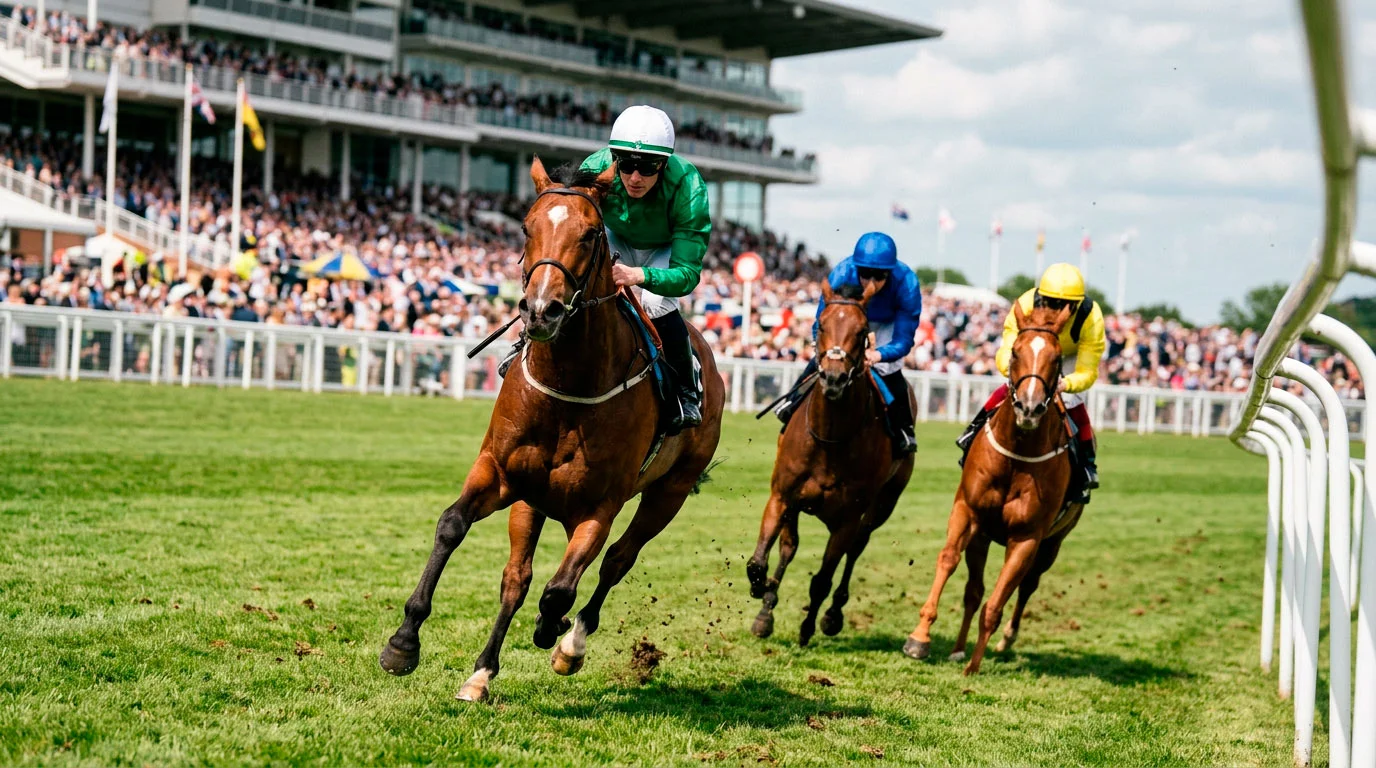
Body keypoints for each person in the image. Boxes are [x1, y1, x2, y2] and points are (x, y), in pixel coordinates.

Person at [500, 105, 711, 433]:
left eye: (648, 167)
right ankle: (525, 346)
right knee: (575, 282)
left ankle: (685, 388)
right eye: (626, 166)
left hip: (664, 246)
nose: (635, 177)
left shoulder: (689, 187)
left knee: (655, 302)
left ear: (664, 164)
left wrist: (639, 276)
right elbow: (569, 228)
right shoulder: (596, 169)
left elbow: (687, 275)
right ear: (614, 159)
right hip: (614, 235)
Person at [955, 262, 1105, 500]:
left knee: (1073, 399)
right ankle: (973, 430)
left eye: (1065, 305)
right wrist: (1018, 375)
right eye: (1051, 302)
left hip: (1069, 356)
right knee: (1013, 387)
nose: (1056, 311)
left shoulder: (1091, 317)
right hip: (1036, 350)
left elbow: (1088, 371)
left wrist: (1066, 383)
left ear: (1077, 304)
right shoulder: (1025, 305)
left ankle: (1087, 462)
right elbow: (1006, 351)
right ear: (1040, 297)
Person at [774, 232, 922, 455]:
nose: (871, 282)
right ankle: (792, 401)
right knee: (829, 358)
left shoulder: (907, 284)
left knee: (887, 368)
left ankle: (903, 428)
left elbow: (903, 339)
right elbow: (822, 320)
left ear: (890, 273)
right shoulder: (842, 273)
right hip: (848, 318)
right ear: (856, 268)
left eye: (879, 275)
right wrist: (822, 347)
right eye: (865, 273)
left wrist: (878, 355)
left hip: (886, 324)